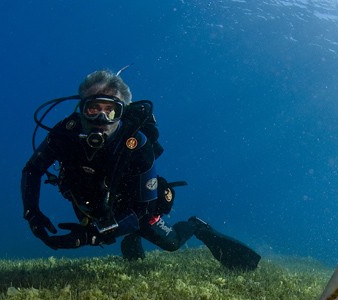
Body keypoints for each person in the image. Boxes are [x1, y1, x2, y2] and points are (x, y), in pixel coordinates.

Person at [21, 69, 260, 271]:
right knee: (98, 219)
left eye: (111, 110)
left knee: (171, 243)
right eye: (93, 108)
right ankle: (129, 237)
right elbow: (32, 169)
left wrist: (91, 236)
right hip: (93, 203)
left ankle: (197, 226)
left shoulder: (137, 145)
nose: (101, 119)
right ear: (80, 107)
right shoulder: (64, 133)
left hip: (134, 206)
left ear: (122, 112)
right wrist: (32, 212)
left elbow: (141, 210)